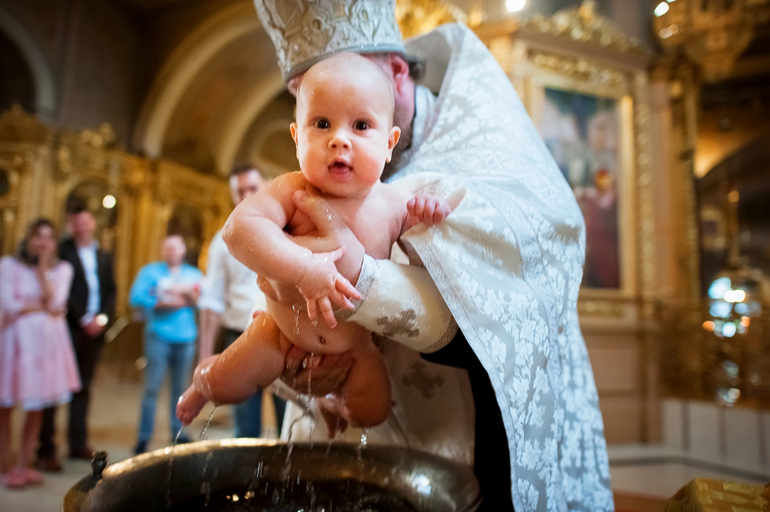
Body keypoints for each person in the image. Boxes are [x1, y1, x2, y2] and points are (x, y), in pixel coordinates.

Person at [251, 1, 614, 511]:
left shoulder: (486, 141)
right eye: (316, 111)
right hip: (361, 435)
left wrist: (358, 278)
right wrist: (302, 362)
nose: (337, 137)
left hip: (477, 442)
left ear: (398, 72)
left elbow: (521, 298)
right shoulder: (323, 160)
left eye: (357, 115)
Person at [177, 52, 452, 432]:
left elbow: (423, 244)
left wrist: (428, 209)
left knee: (373, 410)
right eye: (322, 123)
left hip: (354, 348)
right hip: (279, 334)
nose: (339, 139)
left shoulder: (393, 204)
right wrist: (303, 268)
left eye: (360, 125)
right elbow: (239, 229)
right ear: (297, 137)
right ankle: (200, 386)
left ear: (389, 143)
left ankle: (336, 405)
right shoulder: (293, 190)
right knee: (229, 382)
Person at [197, 164, 287, 439]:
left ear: (266, 185)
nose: (247, 195)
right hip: (238, 336)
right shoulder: (221, 242)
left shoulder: (287, 231)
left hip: (282, 336)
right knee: (245, 431)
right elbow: (212, 301)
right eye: (240, 191)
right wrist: (205, 357)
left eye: (252, 188)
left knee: (290, 425)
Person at [0, 219, 81, 488]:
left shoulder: (63, 269)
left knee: (37, 407)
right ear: (28, 239)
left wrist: (42, 270)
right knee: (6, 405)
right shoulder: (8, 266)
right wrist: (42, 308)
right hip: (15, 344)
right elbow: (9, 305)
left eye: (49, 238)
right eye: (38, 237)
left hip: (46, 347)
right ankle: (6, 467)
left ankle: (25, 464)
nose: (43, 243)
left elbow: (56, 301)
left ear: (55, 243)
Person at [37, 201, 116, 471]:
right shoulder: (63, 251)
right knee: (56, 388)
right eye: (77, 224)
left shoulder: (104, 256)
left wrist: (102, 319)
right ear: (73, 225)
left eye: (86, 223)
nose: (82, 228)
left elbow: (111, 290)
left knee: (83, 387)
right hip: (69, 328)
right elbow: (62, 289)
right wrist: (83, 318)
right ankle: (45, 448)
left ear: (93, 224)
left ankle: (77, 442)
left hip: (95, 332)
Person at [130, 234, 202, 454]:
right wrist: (159, 302)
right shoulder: (150, 272)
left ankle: (178, 433)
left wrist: (183, 295)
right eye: (167, 248)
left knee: (180, 390)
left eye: (175, 248)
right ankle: (143, 438)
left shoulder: (193, 274)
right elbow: (135, 298)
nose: (171, 252)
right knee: (152, 388)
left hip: (186, 336)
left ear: (183, 251)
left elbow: (201, 298)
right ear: (163, 251)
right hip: (158, 335)